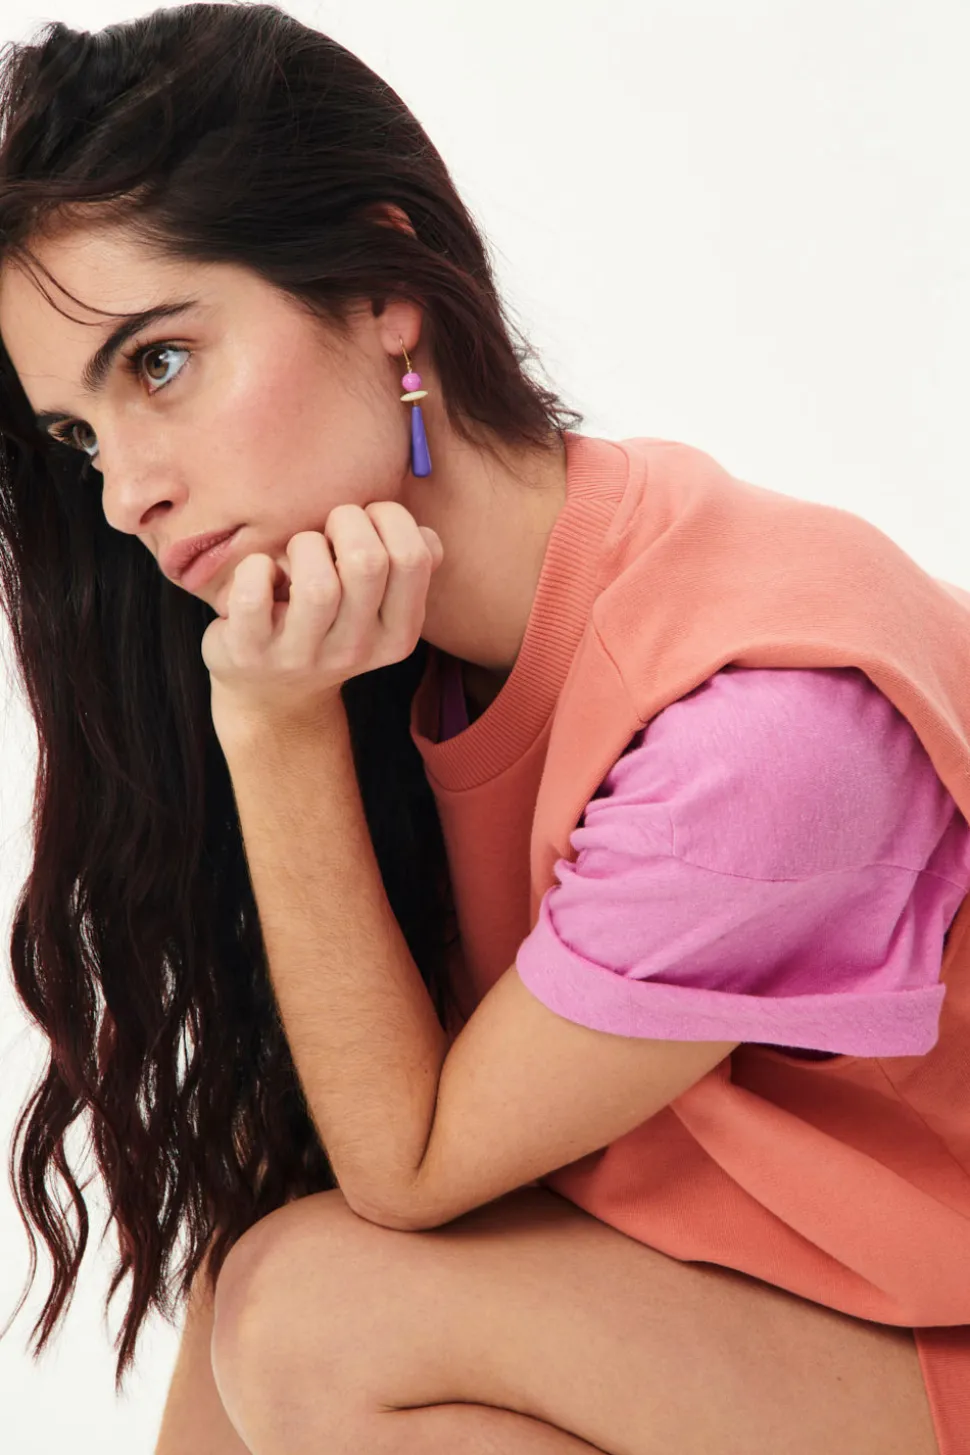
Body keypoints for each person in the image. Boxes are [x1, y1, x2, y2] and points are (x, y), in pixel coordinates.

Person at [0, 6, 965, 1454]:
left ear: (383, 287)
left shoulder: (758, 727)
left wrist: (275, 732)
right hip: (790, 1320)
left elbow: (410, 1166)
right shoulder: (430, 646)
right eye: (80, 435)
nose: (127, 490)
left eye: (159, 363)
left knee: (319, 1313)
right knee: (267, 1225)